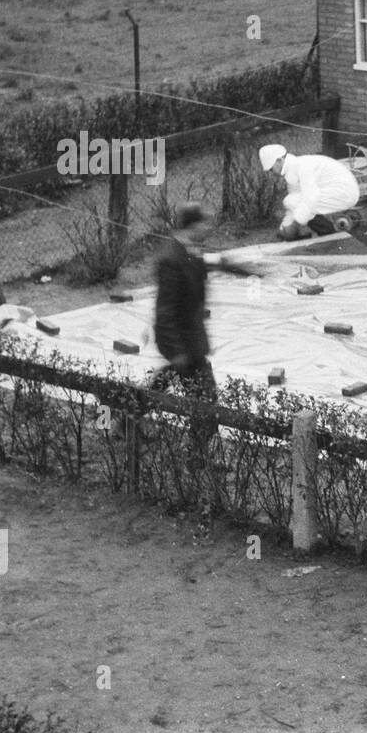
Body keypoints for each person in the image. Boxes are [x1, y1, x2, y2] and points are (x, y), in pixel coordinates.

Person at [153, 202, 218, 536]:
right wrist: (175, 349)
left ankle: (127, 415)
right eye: (204, 223)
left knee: (184, 386)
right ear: (192, 225)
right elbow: (163, 312)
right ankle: (198, 456)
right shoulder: (171, 259)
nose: (209, 228)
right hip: (182, 342)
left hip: (191, 339)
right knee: (207, 399)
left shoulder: (190, 250)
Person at [259, 143, 361, 241]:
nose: (271, 173)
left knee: (303, 201)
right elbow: (293, 200)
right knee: (291, 201)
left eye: (271, 169)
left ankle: (329, 232)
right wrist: (285, 225)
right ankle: (325, 230)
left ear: (279, 160)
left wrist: (295, 223)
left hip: (345, 192)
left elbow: (311, 196)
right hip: (336, 191)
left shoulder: (303, 166)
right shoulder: (293, 168)